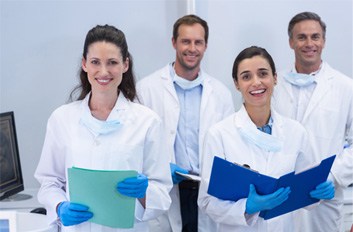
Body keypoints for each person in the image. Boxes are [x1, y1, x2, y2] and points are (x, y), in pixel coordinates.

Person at [34, 24, 172, 231]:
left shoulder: (147, 122)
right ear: (84, 64)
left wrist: (144, 192)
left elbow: (162, 193)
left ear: (125, 65)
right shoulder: (62, 119)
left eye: (113, 62)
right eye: (95, 62)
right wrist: (60, 206)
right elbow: (49, 181)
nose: (104, 71)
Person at [198, 46, 335, 232]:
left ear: (275, 78)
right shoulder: (219, 134)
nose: (256, 82)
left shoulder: (296, 132)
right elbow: (207, 202)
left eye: (263, 73)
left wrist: (317, 192)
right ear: (237, 84)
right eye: (246, 76)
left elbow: (305, 194)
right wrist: (246, 207)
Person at [136, 14, 234, 232]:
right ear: (174, 43)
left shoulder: (221, 94)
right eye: (185, 41)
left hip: (206, 188)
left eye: (198, 42)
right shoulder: (146, 89)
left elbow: (230, 147)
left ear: (205, 45)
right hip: (166, 189)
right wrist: (159, 167)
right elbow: (135, 142)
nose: (192, 48)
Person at [272, 12, 353, 232]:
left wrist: (334, 176)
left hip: (323, 200)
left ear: (324, 41)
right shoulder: (273, 85)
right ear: (291, 42)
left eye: (315, 37)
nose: (309, 43)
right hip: (279, 194)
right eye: (302, 37)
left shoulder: (345, 87)